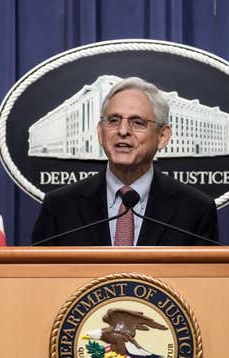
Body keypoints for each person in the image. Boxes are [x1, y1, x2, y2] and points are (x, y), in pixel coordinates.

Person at [32, 76, 218, 246]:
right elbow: (39, 279)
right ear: (100, 132)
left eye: (137, 122)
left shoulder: (196, 210)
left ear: (162, 136)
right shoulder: (59, 207)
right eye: (113, 120)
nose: (122, 131)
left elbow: (204, 281)